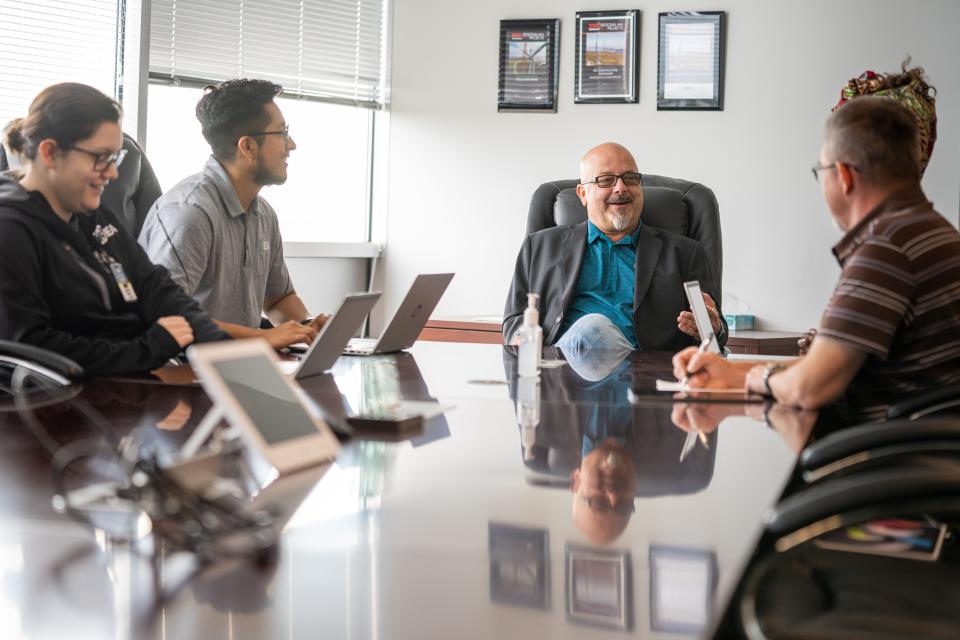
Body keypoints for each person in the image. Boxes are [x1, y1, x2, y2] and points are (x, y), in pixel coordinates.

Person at [673, 97, 960, 420]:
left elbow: (809, 387)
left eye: (820, 171)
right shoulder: (933, 232)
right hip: (918, 450)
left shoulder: (887, 250)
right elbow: (824, 365)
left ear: (844, 176)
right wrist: (728, 371)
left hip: (883, 456)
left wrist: (758, 378)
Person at [0, 83, 228, 376]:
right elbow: (30, 346)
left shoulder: (93, 214)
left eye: (115, 158)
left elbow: (152, 284)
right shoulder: (11, 230)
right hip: (66, 405)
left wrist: (220, 347)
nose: (112, 173)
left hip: (128, 383)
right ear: (50, 153)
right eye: (101, 158)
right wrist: (150, 348)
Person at [139, 79, 326, 350]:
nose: (292, 144)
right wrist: (263, 338)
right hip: (186, 367)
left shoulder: (264, 215)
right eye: (282, 133)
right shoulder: (188, 213)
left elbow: (278, 299)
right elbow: (166, 318)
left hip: (242, 363)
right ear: (247, 147)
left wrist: (309, 328)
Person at [503, 142, 726, 354]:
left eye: (630, 178)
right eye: (606, 180)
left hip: (644, 377)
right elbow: (514, 320)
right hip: (561, 373)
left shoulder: (685, 253)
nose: (621, 188)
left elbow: (713, 331)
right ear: (582, 194)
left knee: (594, 328)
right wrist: (521, 337)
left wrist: (712, 329)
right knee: (591, 329)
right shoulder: (540, 246)